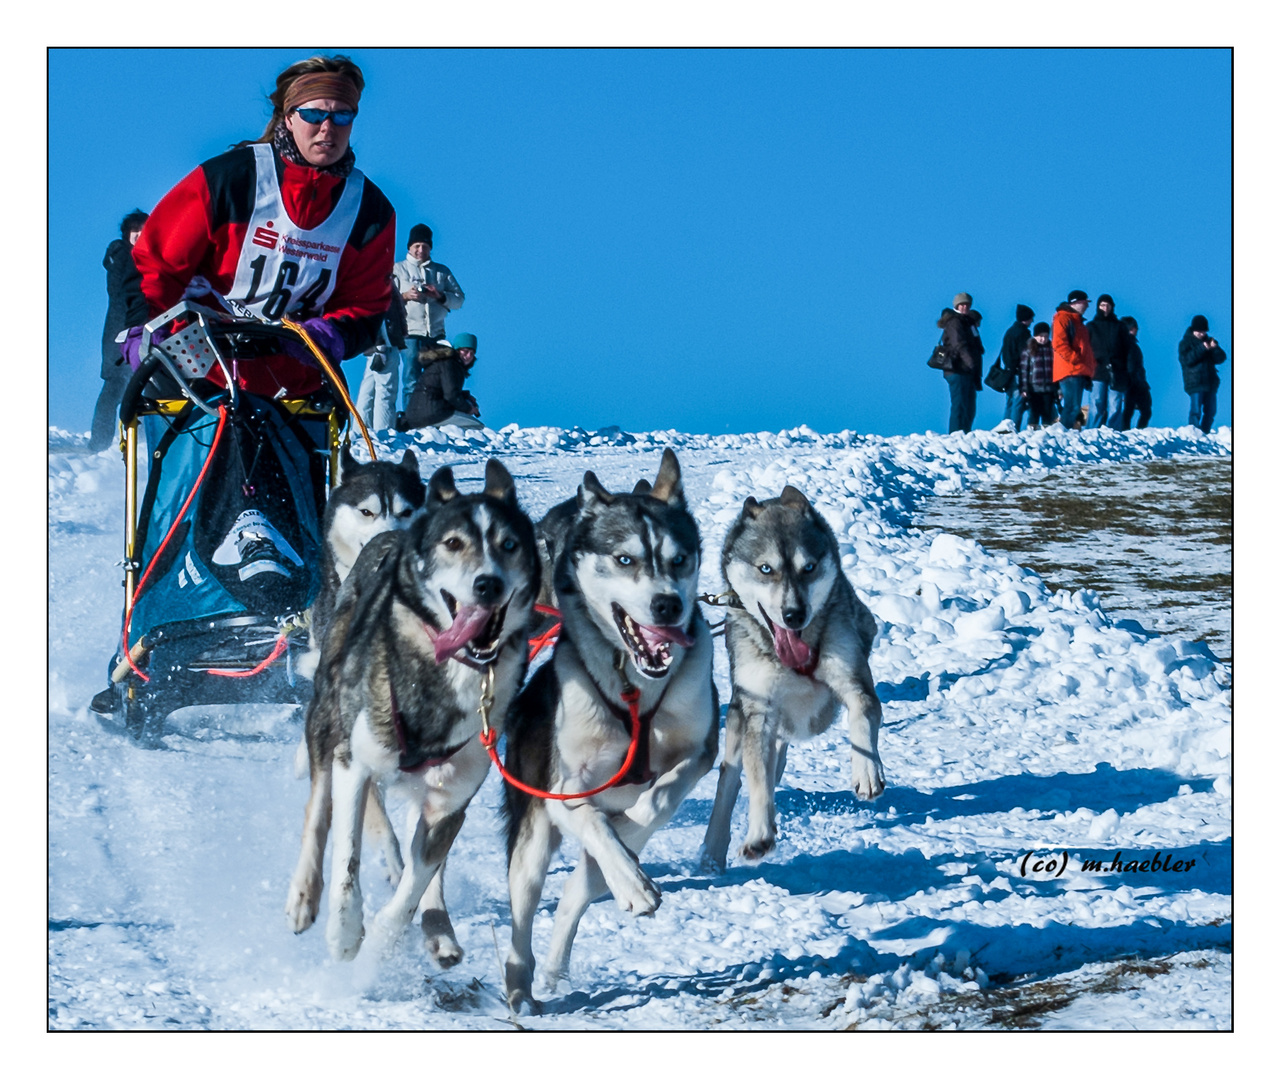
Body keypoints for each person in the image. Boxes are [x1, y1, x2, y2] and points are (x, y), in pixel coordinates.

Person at [123, 54, 396, 583]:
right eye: (315, 113)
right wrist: (151, 329)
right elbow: (155, 262)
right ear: (288, 116)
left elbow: (367, 307)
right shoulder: (233, 179)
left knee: (293, 469)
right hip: (202, 364)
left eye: (343, 117)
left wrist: (329, 333)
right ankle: (185, 585)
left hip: (292, 374)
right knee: (227, 429)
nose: (328, 128)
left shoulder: (368, 210)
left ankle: (292, 588)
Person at [89, 210, 150, 451]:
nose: (139, 234)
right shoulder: (120, 252)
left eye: (144, 229)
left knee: (144, 384)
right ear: (127, 233)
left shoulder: (148, 257)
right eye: (135, 229)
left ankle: (142, 441)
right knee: (114, 386)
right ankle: (99, 443)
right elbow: (119, 291)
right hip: (119, 331)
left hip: (140, 329)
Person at [393, 224, 464, 407]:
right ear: (409, 247)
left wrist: (439, 296)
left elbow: (459, 300)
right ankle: (411, 418)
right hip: (410, 332)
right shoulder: (398, 269)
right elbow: (385, 297)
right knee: (411, 379)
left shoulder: (442, 272)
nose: (420, 250)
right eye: (417, 246)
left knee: (438, 379)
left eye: (425, 246)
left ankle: (433, 417)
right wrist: (405, 296)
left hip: (436, 334)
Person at [354, 274, 409, 430]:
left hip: (376, 345)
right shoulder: (380, 285)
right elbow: (380, 318)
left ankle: (360, 429)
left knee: (368, 388)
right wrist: (381, 346)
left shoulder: (368, 283)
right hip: (385, 344)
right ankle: (383, 430)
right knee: (386, 390)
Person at [399, 332, 482, 430]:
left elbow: (440, 390)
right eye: (465, 351)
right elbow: (451, 395)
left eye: (472, 353)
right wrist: (468, 409)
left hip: (418, 414)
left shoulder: (445, 362)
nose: (468, 356)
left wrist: (465, 396)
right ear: (457, 350)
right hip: (432, 414)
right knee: (477, 427)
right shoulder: (450, 364)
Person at [936, 292, 984, 434]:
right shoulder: (955, 322)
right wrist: (971, 363)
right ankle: (956, 434)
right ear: (956, 305)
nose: (965, 307)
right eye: (962, 304)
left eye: (967, 304)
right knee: (960, 404)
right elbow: (959, 345)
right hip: (957, 369)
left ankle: (965, 433)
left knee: (969, 405)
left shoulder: (967, 322)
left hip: (966, 370)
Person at [1052, 290, 1096, 430]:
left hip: (1078, 370)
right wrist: (1075, 359)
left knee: (1074, 406)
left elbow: (1086, 350)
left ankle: (1067, 432)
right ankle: (1064, 433)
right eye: (1085, 303)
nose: (1087, 306)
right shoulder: (1063, 318)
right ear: (1076, 303)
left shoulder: (1079, 323)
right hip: (1070, 369)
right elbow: (1059, 343)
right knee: (1072, 406)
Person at [1086, 293, 1130, 428]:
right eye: (1102, 305)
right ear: (1098, 306)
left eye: (1108, 305)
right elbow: (1086, 349)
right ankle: (1092, 431)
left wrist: (1126, 369)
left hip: (1117, 370)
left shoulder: (1120, 326)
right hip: (1097, 370)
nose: (1105, 308)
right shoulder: (1091, 326)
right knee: (1096, 403)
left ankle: (1113, 431)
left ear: (1112, 307)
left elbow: (1127, 349)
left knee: (1115, 404)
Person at [1178, 314, 1227, 434]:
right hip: (1195, 382)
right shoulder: (1185, 343)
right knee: (1196, 410)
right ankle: (1193, 434)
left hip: (1210, 382)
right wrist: (1202, 348)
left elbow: (1221, 358)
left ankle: (1204, 433)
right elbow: (1187, 360)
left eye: (1204, 331)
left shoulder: (1209, 342)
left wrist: (1214, 348)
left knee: (1211, 411)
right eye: (1199, 331)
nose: (1202, 334)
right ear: (1193, 330)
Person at [997, 303, 1034, 432]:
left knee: (1010, 402)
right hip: (1019, 373)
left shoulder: (1010, 332)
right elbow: (1026, 355)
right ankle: (1013, 429)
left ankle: (1004, 428)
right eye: (1031, 318)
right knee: (1018, 402)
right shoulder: (1023, 333)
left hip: (1009, 372)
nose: (1032, 321)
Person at [1018, 321, 1057, 429]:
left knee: (1047, 414)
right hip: (1033, 389)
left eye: (1045, 336)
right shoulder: (1029, 350)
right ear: (1035, 336)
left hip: (1049, 388)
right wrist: (1024, 388)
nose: (1043, 339)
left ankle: (1047, 435)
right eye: (1040, 336)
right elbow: (1024, 370)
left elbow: (1057, 370)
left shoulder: (1052, 349)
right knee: (1033, 414)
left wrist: (1058, 389)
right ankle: (1032, 434)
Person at [1119, 316, 1151, 430]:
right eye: (1134, 328)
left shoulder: (1133, 345)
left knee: (1144, 410)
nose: (1136, 330)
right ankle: (1127, 432)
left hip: (1138, 381)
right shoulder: (1125, 344)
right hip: (1131, 382)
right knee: (1130, 410)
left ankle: (1136, 432)